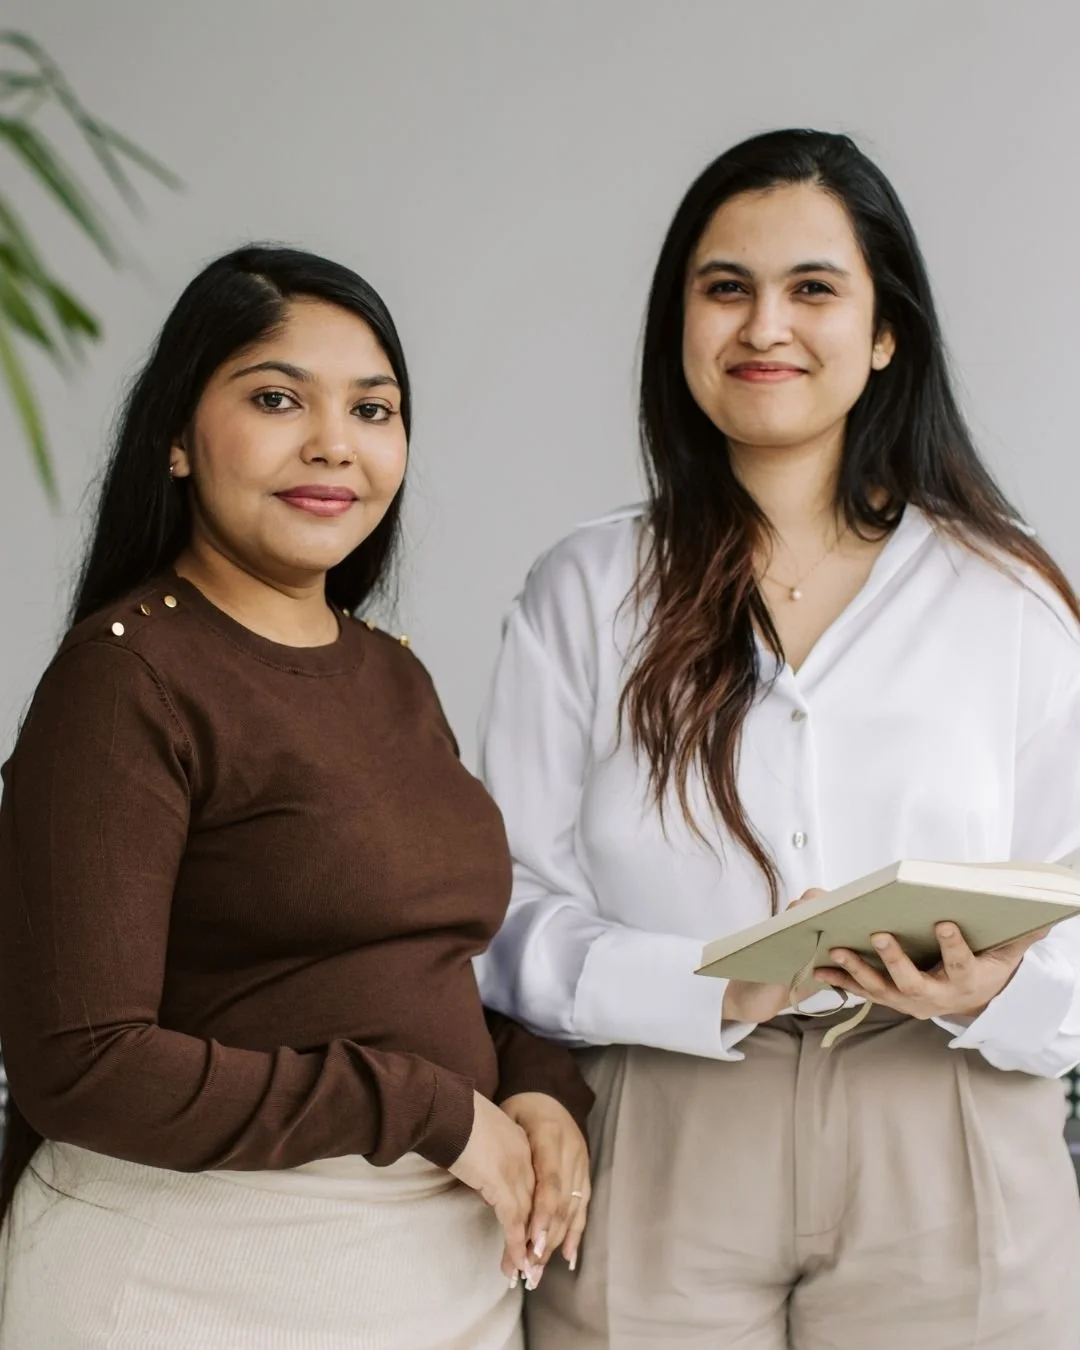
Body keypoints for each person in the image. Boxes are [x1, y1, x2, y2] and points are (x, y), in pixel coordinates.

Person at [476, 129, 1080, 1349]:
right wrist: (709, 982)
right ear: (679, 325)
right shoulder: (588, 587)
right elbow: (502, 912)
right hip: (663, 1118)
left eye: (813, 288)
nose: (766, 326)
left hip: (949, 1121)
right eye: (725, 289)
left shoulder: (1010, 598)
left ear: (885, 330)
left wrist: (1003, 986)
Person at [0, 245, 592, 1349]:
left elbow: (421, 966)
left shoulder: (390, 675)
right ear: (177, 438)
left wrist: (543, 1089)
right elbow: (81, 1061)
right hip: (203, 1280)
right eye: (277, 398)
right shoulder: (126, 678)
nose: (333, 443)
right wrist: (428, 1110)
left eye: (373, 409)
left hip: (436, 1282)